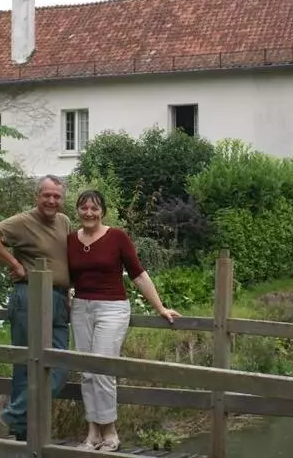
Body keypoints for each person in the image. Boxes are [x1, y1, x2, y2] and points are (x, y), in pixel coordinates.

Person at [68, 189, 180, 452]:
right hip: (81, 309)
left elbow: (138, 274)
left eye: (94, 208)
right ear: (78, 210)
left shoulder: (117, 237)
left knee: (103, 369)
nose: (89, 213)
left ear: (103, 212)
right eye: (84, 208)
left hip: (112, 308)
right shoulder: (71, 240)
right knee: (87, 372)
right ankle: (93, 433)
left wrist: (160, 307)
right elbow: (67, 277)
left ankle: (110, 433)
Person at [0, 175, 73, 441]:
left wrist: (67, 292)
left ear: (62, 199)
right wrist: (16, 265)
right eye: (46, 195)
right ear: (37, 196)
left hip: (58, 299)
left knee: (60, 365)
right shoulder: (23, 221)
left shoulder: (64, 221)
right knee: (26, 366)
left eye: (56, 196)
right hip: (30, 295)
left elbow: (63, 260)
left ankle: (8, 419)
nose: (51, 200)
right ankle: (23, 438)